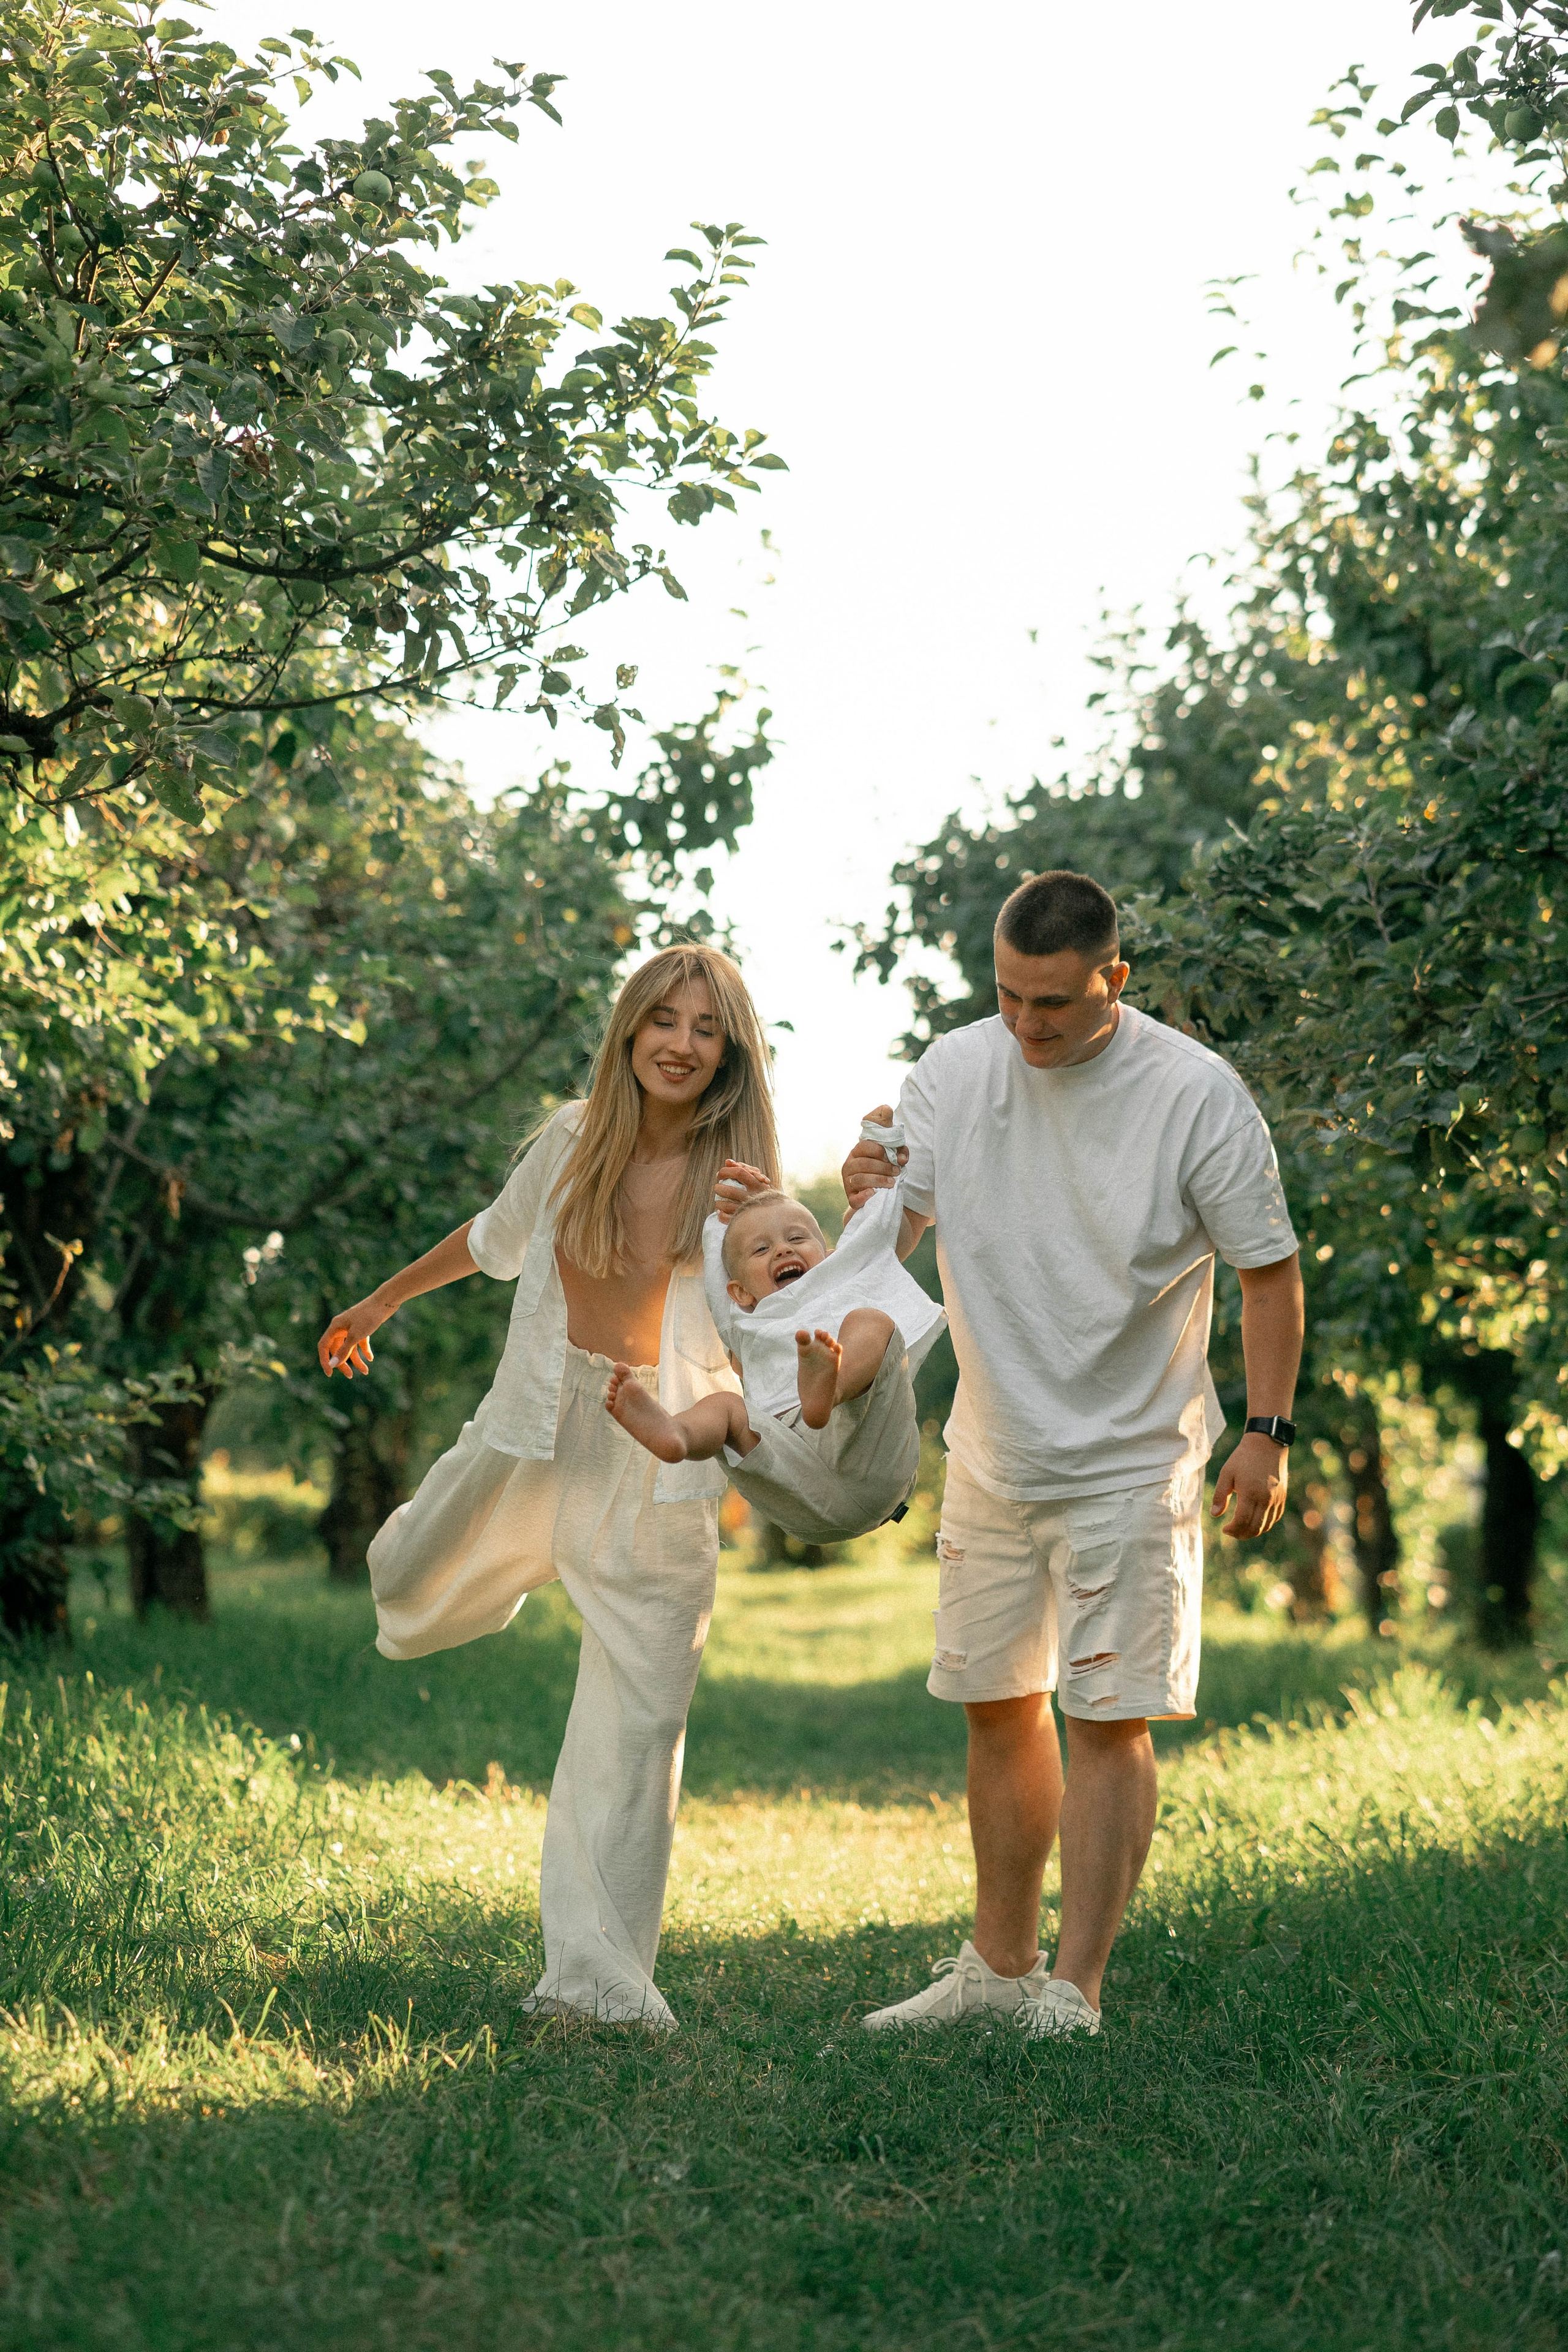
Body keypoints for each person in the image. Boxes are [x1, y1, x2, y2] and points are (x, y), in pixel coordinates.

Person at [842, 870, 1303, 2040]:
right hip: (994, 1448)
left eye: (1052, 1002)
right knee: (995, 1707)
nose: (1026, 1024)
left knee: (1105, 1718)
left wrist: (1266, 1431)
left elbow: (1269, 1273)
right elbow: (897, 1233)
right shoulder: (953, 1071)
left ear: (1115, 980)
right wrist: (856, 1207)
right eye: (1007, 995)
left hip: (1132, 1457)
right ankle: (997, 1968)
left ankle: (1075, 1988)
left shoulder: (1195, 1095)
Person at [316, 944, 779, 2030]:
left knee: (639, 1719)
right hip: (539, 1427)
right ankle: (468, 1581)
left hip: (657, 1452)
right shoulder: (574, 1141)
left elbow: (787, 1309)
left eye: (706, 1028)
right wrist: (378, 1305)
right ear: (629, 1030)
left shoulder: (739, 1186)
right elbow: (490, 1241)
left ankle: (595, 1981)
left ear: (729, 1055)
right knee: (408, 1570)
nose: (680, 1042)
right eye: (662, 1018)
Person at [606, 1178, 945, 1545]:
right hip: (793, 1467)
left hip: (866, 1450)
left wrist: (881, 1150)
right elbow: (718, 1281)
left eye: (797, 1239)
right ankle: (678, 1435)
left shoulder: (842, 1279)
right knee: (725, 1407)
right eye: (762, 1249)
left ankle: (832, 1387)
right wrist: (720, 1223)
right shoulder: (745, 1324)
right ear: (740, 1292)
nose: (782, 1250)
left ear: (829, 1255)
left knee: (870, 1320)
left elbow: (874, 1230)